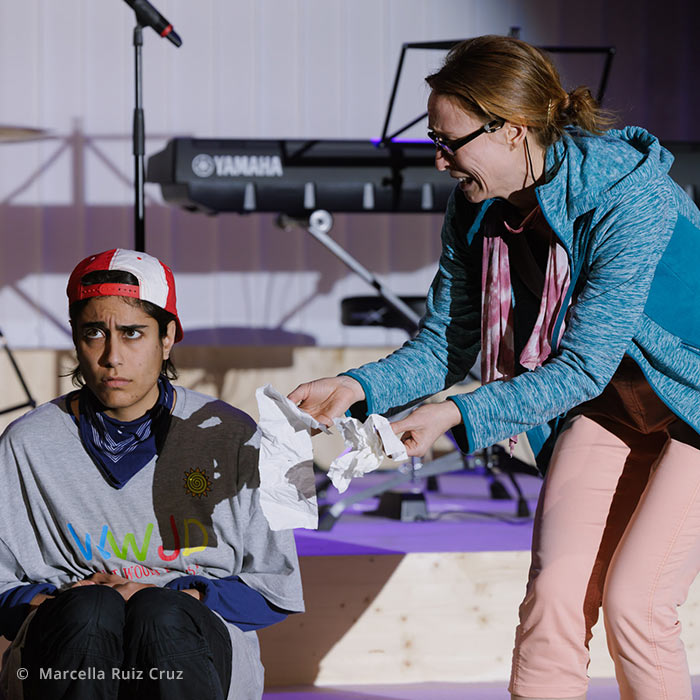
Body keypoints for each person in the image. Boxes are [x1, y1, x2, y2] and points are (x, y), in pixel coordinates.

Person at [288, 34, 700, 700]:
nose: (441, 160)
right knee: (555, 597)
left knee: (636, 604)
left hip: (694, 404)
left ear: (512, 130)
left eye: (451, 142)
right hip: (613, 406)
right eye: (434, 141)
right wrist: (356, 387)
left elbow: (584, 366)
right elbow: (448, 343)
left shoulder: (630, 200)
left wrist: (455, 413)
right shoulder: (476, 209)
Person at [0, 248, 304, 700]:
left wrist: (171, 598)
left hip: (190, 640)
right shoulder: (25, 442)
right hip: (69, 644)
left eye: (132, 333)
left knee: (159, 615)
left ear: (168, 337)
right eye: (94, 333)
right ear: (75, 340)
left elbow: (277, 588)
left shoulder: (235, 434)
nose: (112, 356)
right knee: (90, 610)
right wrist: (65, 604)